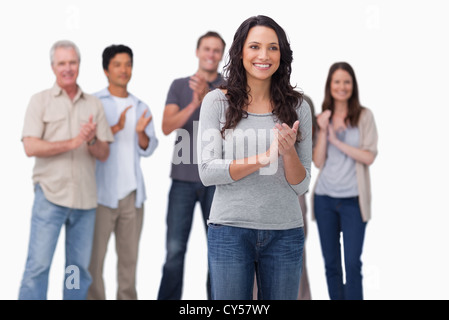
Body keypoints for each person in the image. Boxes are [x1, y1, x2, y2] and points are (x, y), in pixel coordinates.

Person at [198, 15, 312, 300]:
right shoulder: (216, 102)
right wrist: (264, 158)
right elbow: (208, 171)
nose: (264, 55)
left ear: (282, 54)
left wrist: (287, 153)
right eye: (255, 47)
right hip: (230, 231)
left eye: (273, 48)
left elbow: (301, 184)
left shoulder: (300, 107)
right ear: (240, 52)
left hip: (284, 233)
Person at [19, 40, 114, 300]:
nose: (68, 68)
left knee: (76, 270)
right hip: (50, 196)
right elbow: (30, 146)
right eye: (62, 63)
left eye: (72, 62)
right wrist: (73, 143)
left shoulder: (93, 104)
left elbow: (104, 152)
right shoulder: (39, 101)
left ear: (79, 65)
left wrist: (92, 140)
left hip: (85, 201)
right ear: (53, 67)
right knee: (38, 266)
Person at [158, 31, 226, 300]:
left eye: (216, 50)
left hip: (216, 180)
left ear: (221, 55)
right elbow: (166, 126)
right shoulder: (178, 86)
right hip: (182, 179)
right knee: (175, 250)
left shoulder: (229, 87)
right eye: (206, 49)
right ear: (197, 52)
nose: (210, 54)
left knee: (218, 250)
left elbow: (231, 125)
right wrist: (195, 103)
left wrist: (209, 95)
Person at [87, 44, 158, 300]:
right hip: (100, 196)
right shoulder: (93, 103)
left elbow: (149, 148)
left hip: (132, 196)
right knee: (93, 263)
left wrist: (140, 133)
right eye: (117, 64)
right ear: (106, 69)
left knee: (129, 264)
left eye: (128, 64)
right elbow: (87, 143)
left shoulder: (141, 106)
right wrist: (114, 128)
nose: (123, 70)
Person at [311, 61, 378, 300]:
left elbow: (369, 156)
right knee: (331, 266)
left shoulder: (364, 116)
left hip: (353, 200)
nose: (342, 86)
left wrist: (337, 141)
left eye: (346, 82)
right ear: (330, 85)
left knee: (352, 264)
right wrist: (323, 131)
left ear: (353, 85)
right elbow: (318, 161)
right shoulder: (322, 118)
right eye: (337, 81)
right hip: (325, 199)